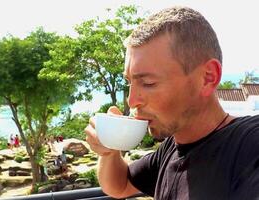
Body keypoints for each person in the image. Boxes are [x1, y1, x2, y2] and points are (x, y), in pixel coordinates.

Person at [84, 6, 259, 200]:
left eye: (148, 83)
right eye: (129, 82)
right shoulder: (171, 149)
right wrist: (109, 151)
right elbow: (119, 185)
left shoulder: (249, 145)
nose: (132, 100)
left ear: (208, 78)